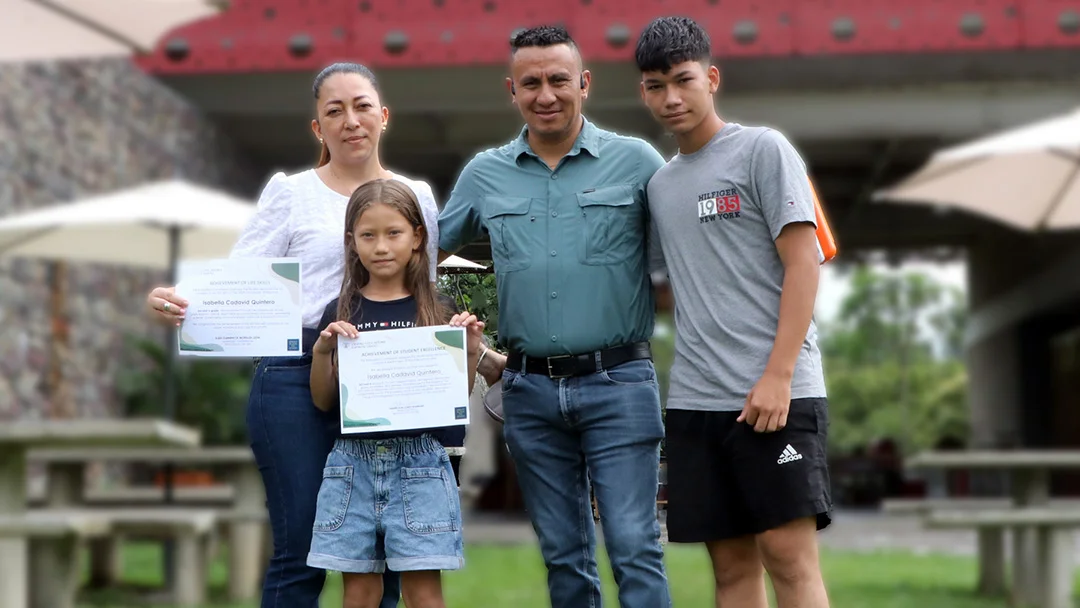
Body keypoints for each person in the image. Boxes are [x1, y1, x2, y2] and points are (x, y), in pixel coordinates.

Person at [145, 62, 438, 608]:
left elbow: (423, 289)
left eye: (362, 106)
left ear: (383, 116)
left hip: (383, 375)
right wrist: (180, 300)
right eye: (334, 111)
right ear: (317, 128)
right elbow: (240, 276)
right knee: (301, 546)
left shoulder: (416, 195)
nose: (350, 120)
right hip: (292, 377)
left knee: (385, 551)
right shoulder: (291, 193)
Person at [437, 25, 672, 608]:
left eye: (558, 80)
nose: (546, 94)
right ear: (511, 90)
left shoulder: (637, 161)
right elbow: (417, 254)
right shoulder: (484, 174)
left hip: (620, 384)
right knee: (564, 558)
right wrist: (466, 338)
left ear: (584, 84)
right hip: (529, 393)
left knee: (634, 547)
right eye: (531, 82)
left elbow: (690, 254)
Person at [635, 16, 832, 608]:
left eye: (682, 80)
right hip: (696, 400)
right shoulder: (660, 186)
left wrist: (777, 376)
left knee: (788, 559)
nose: (670, 98)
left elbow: (805, 263)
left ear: (711, 78)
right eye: (654, 85)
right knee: (730, 569)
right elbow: (677, 287)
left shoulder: (762, 150)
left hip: (777, 394)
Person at [307, 178, 482, 608]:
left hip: (422, 462)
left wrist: (472, 352)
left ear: (417, 238)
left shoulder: (438, 311)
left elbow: (453, 398)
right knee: (360, 593)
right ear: (352, 243)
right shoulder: (340, 310)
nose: (381, 246)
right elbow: (323, 401)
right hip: (352, 464)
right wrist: (322, 350)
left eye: (393, 233)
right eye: (368, 235)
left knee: (423, 592)